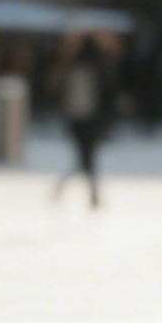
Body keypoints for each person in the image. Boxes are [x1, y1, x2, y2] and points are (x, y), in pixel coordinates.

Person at [54, 33, 112, 206]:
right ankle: (90, 193)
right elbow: (106, 97)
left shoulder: (72, 68)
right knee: (87, 159)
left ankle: (85, 192)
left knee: (84, 159)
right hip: (91, 119)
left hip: (76, 119)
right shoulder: (100, 69)